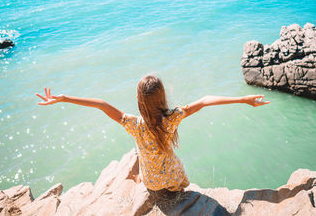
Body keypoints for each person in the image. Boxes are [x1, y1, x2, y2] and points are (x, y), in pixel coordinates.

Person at [35, 75, 269, 193]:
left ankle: (142, 180)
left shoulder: (133, 124)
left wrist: (64, 98)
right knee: (176, 167)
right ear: (162, 97)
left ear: (139, 101)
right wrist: (243, 99)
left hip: (151, 184)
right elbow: (205, 101)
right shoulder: (173, 117)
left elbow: (101, 104)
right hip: (174, 180)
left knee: (139, 164)